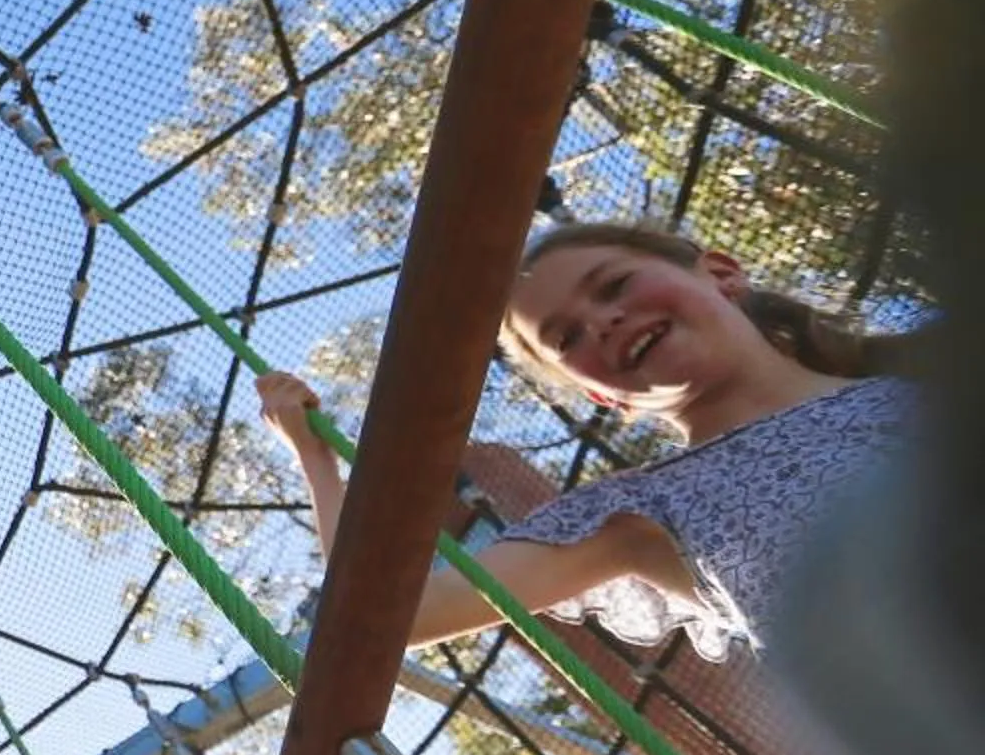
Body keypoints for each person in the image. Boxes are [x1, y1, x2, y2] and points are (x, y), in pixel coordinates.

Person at [256, 222, 916, 667]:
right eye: (567, 338)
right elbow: (377, 622)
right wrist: (313, 459)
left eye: (615, 285)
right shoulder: (640, 514)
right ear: (601, 394)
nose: (603, 322)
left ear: (720, 272)